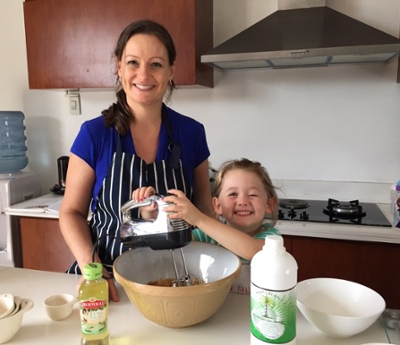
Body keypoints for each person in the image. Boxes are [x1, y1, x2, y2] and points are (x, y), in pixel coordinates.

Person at [59, 20, 213, 302]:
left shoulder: (192, 133)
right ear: (119, 67)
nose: (143, 74)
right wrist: (92, 271)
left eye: (155, 64)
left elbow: (204, 212)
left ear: (170, 72)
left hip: (177, 282)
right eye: (133, 62)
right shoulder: (94, 135)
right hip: (109, 282)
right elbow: (70, 213)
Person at [157, 158, 281, 294]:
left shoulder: (271, 237)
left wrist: (198, 218)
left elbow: (251, 251)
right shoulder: (207, 234)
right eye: (233, 194)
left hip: (258, 312)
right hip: (218, 310)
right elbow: (174, 244)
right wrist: (153, 214)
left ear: (269, 204)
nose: (242, 201)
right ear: (218, 205)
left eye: (252, 194)